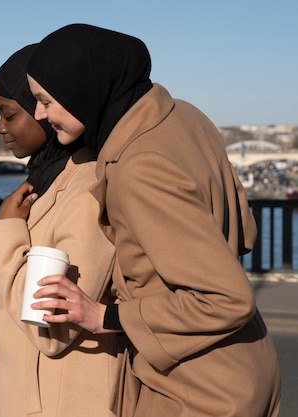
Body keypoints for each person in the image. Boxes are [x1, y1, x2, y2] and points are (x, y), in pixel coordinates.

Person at [25, 23, 281, 417]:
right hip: (246, 361)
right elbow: (242, 231)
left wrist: (103, 315)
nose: (40, 114)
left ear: (80, 87)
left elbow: (225, 299)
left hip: (197, 387)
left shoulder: (138, 165)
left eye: (45, 100)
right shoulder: (184, 117)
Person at [0, 44, 119, 417]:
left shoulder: (86, 191)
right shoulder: (45, 179)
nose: (1, 127)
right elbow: (17, 282)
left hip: (59, 401)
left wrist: (4, 230)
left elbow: (51, 330)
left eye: (10, 114)